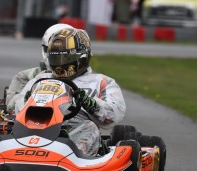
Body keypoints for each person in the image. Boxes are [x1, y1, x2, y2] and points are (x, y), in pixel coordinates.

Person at [14, 28, 126, 157]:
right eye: (56, 59)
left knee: (89, 127)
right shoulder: (41, 78)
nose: (60, 64)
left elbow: (115, 114)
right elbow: (18, 110)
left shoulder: (101, 81)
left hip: (75, 129)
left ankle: (72, 156)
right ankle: (16, 148)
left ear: (82, 56)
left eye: (65, 58)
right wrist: (25, 101)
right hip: (36, 126)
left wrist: (92, 104)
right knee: (12, 125)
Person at [6, 23, 73, 113]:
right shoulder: (29, 76)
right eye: (54, 51)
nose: (58, 55)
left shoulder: (91, 80)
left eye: (63, 52)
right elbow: (11, 107)